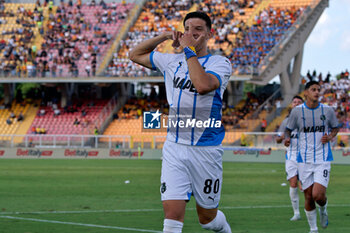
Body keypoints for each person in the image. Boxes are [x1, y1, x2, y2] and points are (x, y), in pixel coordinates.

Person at [129, 11, 232, 233]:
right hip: (174, 147)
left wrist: (188, 50)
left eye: (198, 29)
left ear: (209, 34)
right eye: (187, 29)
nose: (191, 33)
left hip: (206, 150)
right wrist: (165, 36)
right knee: (172, 215)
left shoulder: (220, 63)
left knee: (208, 220)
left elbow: (203, 84)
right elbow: (135, 54)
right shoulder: (171, 61)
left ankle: (224, 227)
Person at [284, 81, 340, 233]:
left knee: (318, 196)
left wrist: (330, 137)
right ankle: (313, 229)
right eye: (313, 89)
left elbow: (335, 128)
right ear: (306, 93)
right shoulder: (297, 112)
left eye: (318, 89)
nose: (316, 92)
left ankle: (323, 209)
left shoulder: (327, 111)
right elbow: (288, 130)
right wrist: (287, 138)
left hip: (322, 159)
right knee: (308, 197)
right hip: (304, 160)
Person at [276, 95, 304, 221]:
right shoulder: (286, 121)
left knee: (306, 188)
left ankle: (314, 208)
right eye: (294, 102)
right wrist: (283, 138)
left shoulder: (308, 119)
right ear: (291, 105)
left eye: (299, 102)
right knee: (293, 183)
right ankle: (296, 213)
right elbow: (277, 139)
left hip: (306, 156)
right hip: (291, 155)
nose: (296, 104)